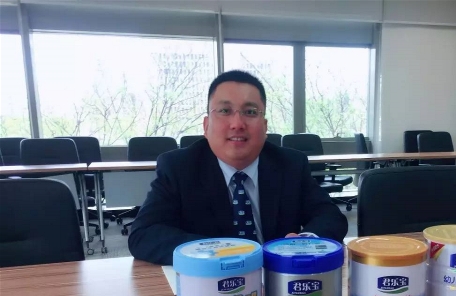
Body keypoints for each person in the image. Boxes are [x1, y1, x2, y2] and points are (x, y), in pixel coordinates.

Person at [128, 70, 348, 265]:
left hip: (277, 280)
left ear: (265, 127)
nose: (237, 124)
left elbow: (330, 216)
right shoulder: (179, 167)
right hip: (212, 282)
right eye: (225, 111)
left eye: (250, 112)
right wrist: (217, 252)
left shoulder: (290, 164)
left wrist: (306, 242)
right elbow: (143, 234)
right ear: (206, 126)